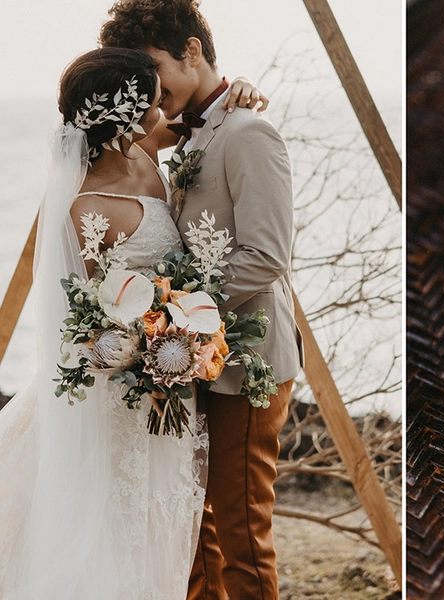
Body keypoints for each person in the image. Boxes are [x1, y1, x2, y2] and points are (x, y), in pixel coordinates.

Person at [0, 47, 269, 598]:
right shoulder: (82, 204)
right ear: (127, 110)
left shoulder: (145, 147)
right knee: (116, 527)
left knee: (164, 526)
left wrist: (238, 87)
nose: (163, 104)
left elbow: (203, 119)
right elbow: (90, 314)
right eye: (153, 97)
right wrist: (152, 345)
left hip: (169, 366)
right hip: (125, 388)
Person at [100, 2, 305, 598]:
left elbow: (267, 258)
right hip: (189, 357)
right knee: (194, 527)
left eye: (155, 68)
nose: (149, 89)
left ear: (192, 50)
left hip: (247, 363)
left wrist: (176, 319)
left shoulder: (249, 131)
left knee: (242, 534)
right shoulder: (188, 125)